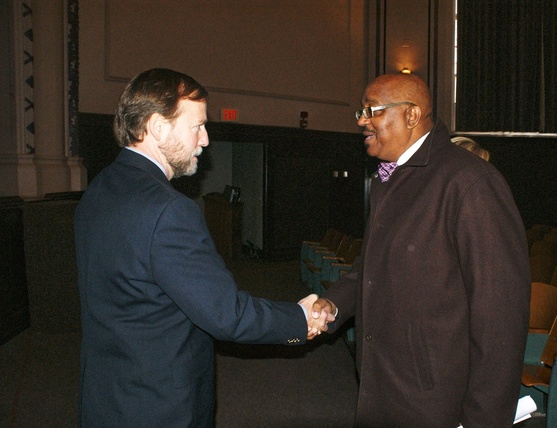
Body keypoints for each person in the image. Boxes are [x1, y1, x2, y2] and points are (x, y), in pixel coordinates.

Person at [74, 68, 333, 427]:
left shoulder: (100, 188)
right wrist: (299, 319)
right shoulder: (168, 209)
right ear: (158, 127)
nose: (206, 139)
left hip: (108, 394)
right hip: (158, 405)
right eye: (197, 126)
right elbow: (226, 314)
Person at [315, 74, 530, 427]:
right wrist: (334, 303)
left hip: (433, 402)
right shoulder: (389, 178)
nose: (361, 121)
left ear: (412, 115)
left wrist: (484, 420)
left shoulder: (469, 182)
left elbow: (501, 321)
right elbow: (367, 268)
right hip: (383, 386)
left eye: (372, 111)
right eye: (361, 110)